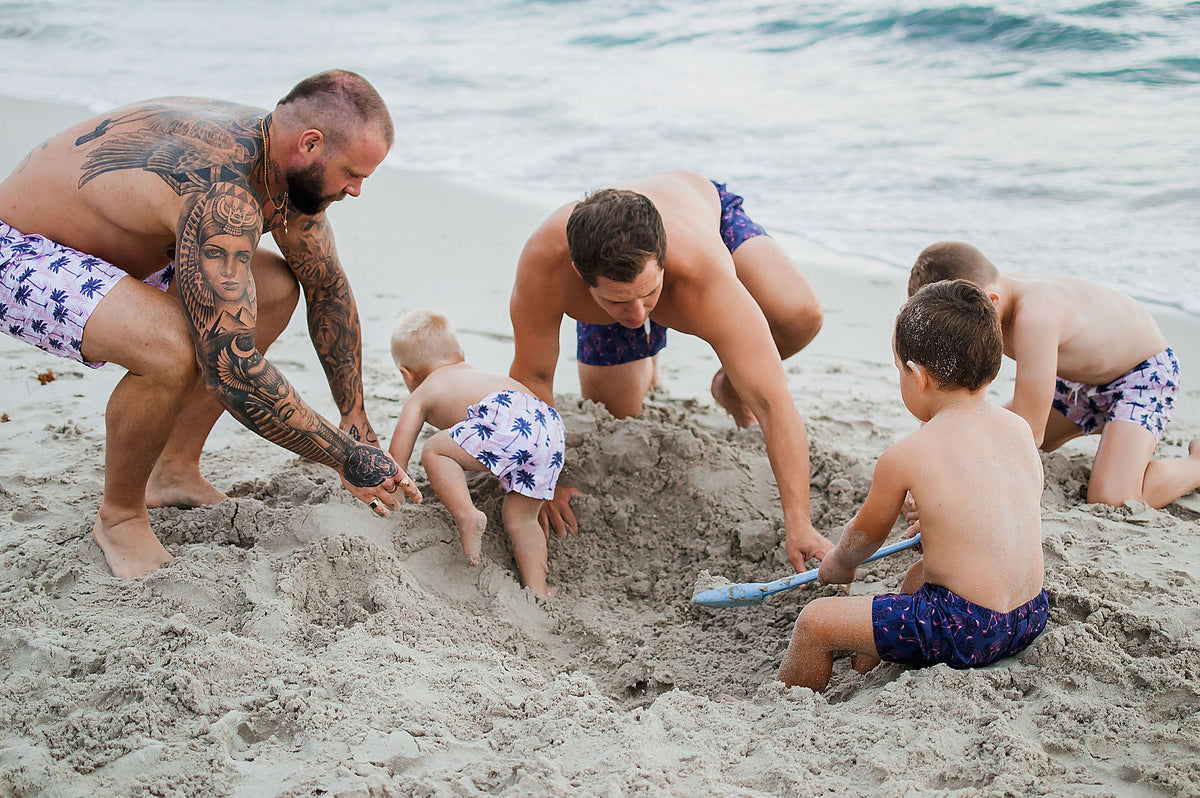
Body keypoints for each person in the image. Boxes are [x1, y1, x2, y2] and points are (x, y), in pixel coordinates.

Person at [0, 69, 420, 579]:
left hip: (135, 250)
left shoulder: (283, 166)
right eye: (354, 174)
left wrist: (357, 421)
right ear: (310, 144)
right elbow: (233, 370)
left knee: (276, 288)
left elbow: (326, 287)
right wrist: (346, 458)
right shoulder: (225, 191)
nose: (355, 190)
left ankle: (172, 469)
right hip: (24, 249)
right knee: (172, 351)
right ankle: (120, 517)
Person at [508, 170, 828, 569]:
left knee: (800, 314)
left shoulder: (703, 271)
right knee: (618, 411)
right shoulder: (544, 262)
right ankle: (639, 341)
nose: (639, 313)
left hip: (702, 218)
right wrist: (543, 478)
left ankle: (729, 382)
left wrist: (799, 522)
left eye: (649, 295)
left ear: (663, 262)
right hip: (617, 278)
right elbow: (532, 378)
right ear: (579, 274)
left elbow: (772, 404)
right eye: (620, 301)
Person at [777, 279, 1048, 692]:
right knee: (918, 577)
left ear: (917, 376)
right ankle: (867, 667)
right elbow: (1006, 510)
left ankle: (784, 705)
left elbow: (865, 536)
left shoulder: (907, 454)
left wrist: (839, 564)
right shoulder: (1018, 429)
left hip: (968, 629)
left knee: (816, 622)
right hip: (1028, 615)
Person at [908, 241, 1200, 509]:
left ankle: (1194, 464)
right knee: (987, 435)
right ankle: (1115, 433)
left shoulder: (1034, 317)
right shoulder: (985, 299)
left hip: (1141, 375)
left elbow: (1029, 433)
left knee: (1112, 498)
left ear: (991, 300)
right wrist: (932, 469)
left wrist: (959, 495)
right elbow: (963, 410)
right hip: (1078, 382)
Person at [387, 309, 566, 599]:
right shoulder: (475, 375)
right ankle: (538, 589)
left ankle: (467, 515)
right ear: (460, 353)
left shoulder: (423, 390)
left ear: (407, 375)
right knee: (521, 518)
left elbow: (398, 458)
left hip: (508, 420)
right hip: (548, 425)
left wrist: (393, 494)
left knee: (434, 450)